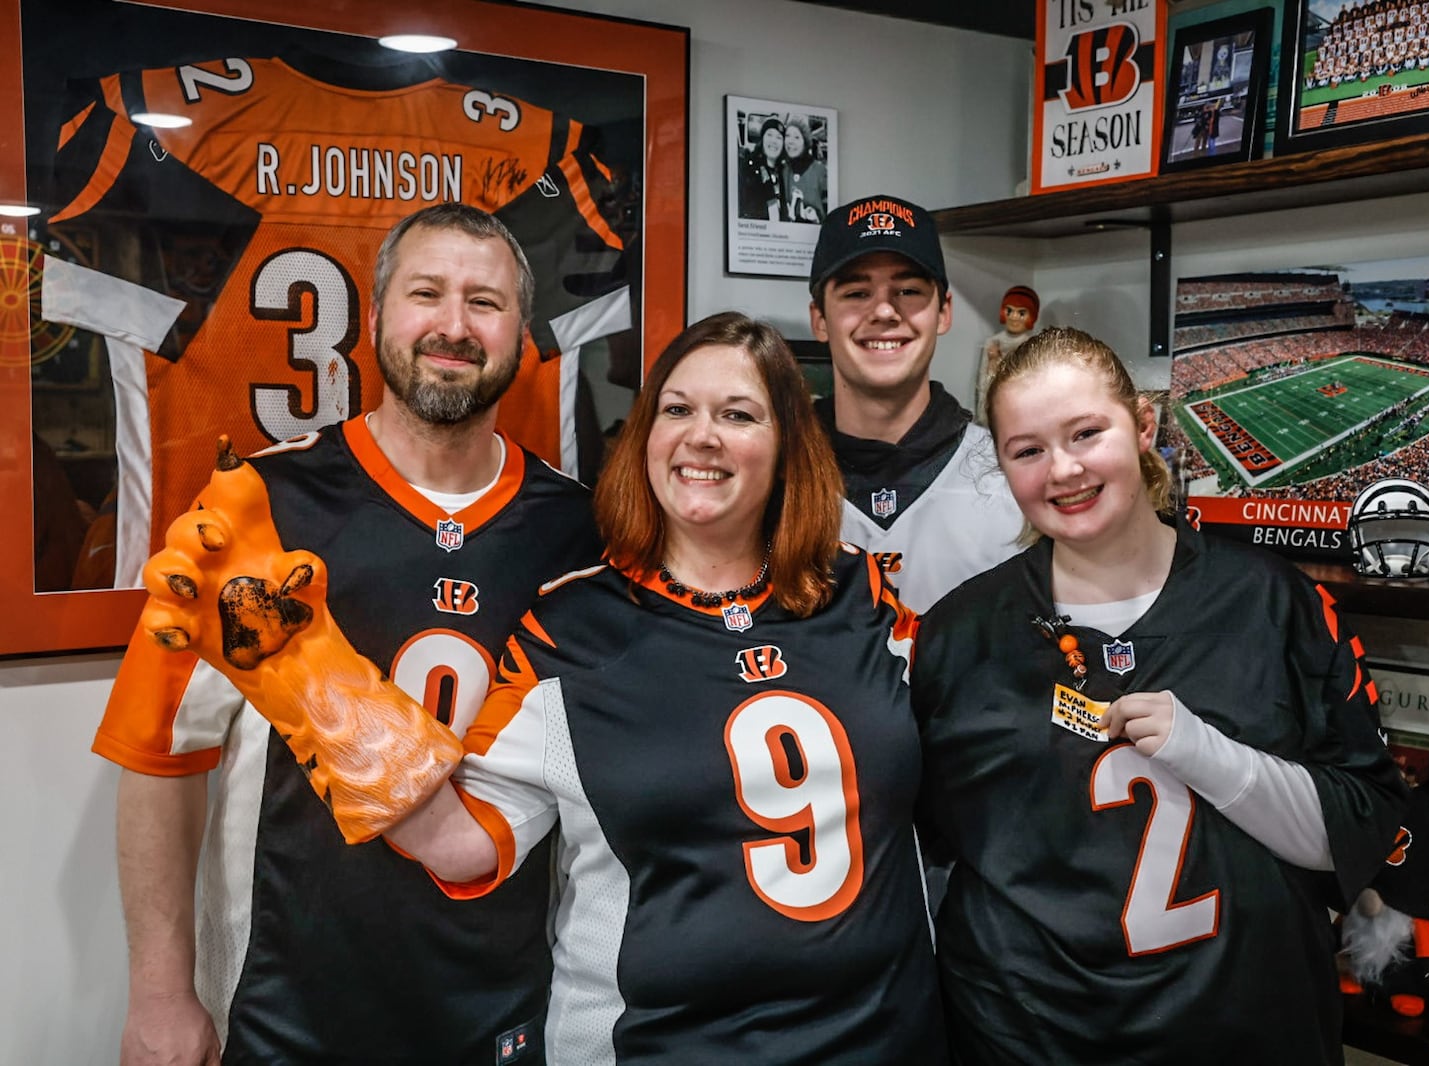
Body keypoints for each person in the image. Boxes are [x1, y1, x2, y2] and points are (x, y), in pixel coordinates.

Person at [136, 311, 946, 1064]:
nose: (702, 437)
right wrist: (306, 676)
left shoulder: (862, 596)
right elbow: (461, 843)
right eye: (676, 410)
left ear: (786, 445)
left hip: (884, 1040)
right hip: (657, 1047)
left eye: (738, 414)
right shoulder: (570, 627)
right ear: (644, 434)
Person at [93, 203, 602, 1065]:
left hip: (507, 997)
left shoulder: (582, 529)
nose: (454, 325)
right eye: (427, 294)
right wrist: (159, 992)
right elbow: (160, 757)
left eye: (485, 302)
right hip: (287, 996)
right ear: (373, 320)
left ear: (521, 332)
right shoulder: (257, 503)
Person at [911, 327, 1407, 1064]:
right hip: (1027, 1038)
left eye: (1087, 433)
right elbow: (930, 849)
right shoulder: (958, 633)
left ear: (1143, 426)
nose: (1064, 470)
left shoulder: (1274, 605)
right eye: (1028, 450)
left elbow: (1361, 834)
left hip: (1243, 1031)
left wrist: (1207, 753)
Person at [806, 194, 1022, 613]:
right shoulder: (773, 475)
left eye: (907, 290)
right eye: (856, 292)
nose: (884, 310)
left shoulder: (1010, 473)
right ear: (819, 319)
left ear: (943, 312)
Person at [975, 285, 1040, 426]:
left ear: (1031, 316)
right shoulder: (993, 343)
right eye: (1010, 311)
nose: (1014, 317)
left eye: (1021, 313)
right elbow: (983, 382)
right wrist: (984, 414)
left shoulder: (1033, 344)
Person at [737, 116, 787, 221]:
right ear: (762, 139)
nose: (774, 141)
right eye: (769, 135)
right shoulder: (748, 169)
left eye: (779, 137)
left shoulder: (784, 172)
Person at [782, 116, 828, 223]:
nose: (791, 141)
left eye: (797, 137)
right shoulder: (783, 170)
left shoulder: (819, 171)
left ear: (805, 142)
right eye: (787, 136)